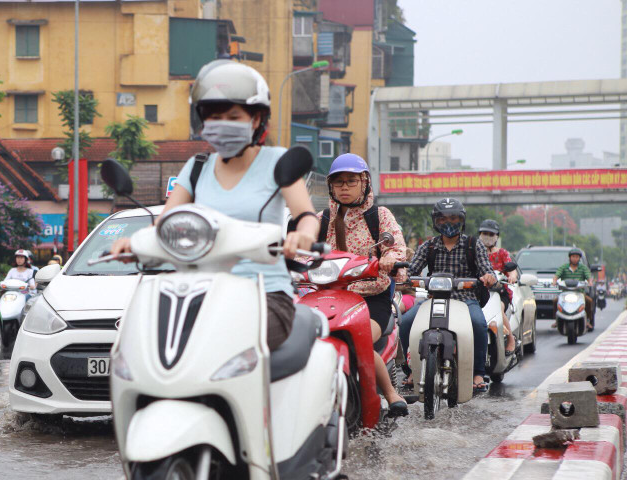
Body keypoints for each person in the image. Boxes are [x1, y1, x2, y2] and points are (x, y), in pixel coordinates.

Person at [109, 59, 319, 350]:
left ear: (255, 119)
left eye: (233, 117)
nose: (224, 124)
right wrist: (133, 243)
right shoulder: (196, 168)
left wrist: (303, 235)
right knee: (146, 342)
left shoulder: (277, 162)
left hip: (265, 294)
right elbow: (164, 225)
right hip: (200, 293)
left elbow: (307, 215)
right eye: (215, 117)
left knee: (217, 344)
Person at [319, 153, 408, 417]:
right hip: (329, 297)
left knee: (357, 339)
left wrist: (390, 259)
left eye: (351, 181)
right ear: (331, 186)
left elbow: (397, 246)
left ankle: (391, 394)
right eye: (338, 182)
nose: (344, 187)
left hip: (371, 299)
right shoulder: (322, 218)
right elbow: (301, 246)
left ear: (364, 183)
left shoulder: (379, 216)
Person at [400, 198, 497, 392]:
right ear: (436, 222)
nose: (448, 223)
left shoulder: (473, 244)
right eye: (443, 219)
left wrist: (488, 277)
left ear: (461, 220)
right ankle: (411, 369)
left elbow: (487, 270)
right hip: (434, 299)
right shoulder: (429, 246)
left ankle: (478, 372)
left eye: (453, 218)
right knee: (406, 322)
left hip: (466, 300)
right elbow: (410, 271)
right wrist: (402, 277)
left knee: (479, 324)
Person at [478, 218, 517, 355]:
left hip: (499, 293)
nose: (488, 237)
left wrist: (512, 276)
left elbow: (512, 270)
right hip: (478, 292)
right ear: (479, 234)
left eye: (491, 234)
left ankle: (511, 339)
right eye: (485, 233)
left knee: (498, 307)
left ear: (496, 237)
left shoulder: (502, 253)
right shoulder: (475, 252)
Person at [553, 248, 593, 330]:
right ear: (570, 258)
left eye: (577, 257)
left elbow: (588, 276)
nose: (575, 259)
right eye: (573, 257)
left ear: (579, 258)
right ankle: (556, 320)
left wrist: (590, 282)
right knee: (555, 301)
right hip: (565, 293)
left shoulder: (583, 268)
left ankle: (588, 320)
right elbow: (557, 275)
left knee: (589, 301)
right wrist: (554, 281)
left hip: (579, 293)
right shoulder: (564, 267)